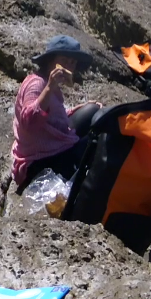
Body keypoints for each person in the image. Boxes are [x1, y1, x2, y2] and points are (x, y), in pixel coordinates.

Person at [11, 35, 102, 190]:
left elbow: (54, 116)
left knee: (95, 112)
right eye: (65, 60)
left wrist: (81, 107)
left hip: (53, 141)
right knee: (98, 142)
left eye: (73, 62)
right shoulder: (37, 84)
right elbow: (29, 122)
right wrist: (49, 87)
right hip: (38, 161)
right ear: (50, 59)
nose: (70, 66)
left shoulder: (48, 82)